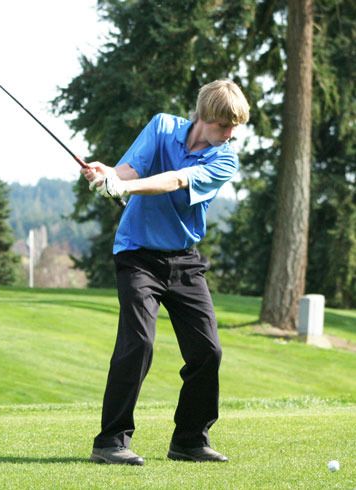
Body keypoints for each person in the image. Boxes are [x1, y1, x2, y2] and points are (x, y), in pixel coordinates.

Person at [82, 79, 250, 466]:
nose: (230, 134)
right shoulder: (161, 127)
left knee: (207, 350)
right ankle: (110, 441)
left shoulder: (224, 158)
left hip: (184, 259)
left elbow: (173, 180)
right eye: (225, 125)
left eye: (235, 127)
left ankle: (190, 440)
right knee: (137, 342)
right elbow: (129, 167)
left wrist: (124, 187)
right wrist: (109, 176)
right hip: (137, 255)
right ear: (206, 116)